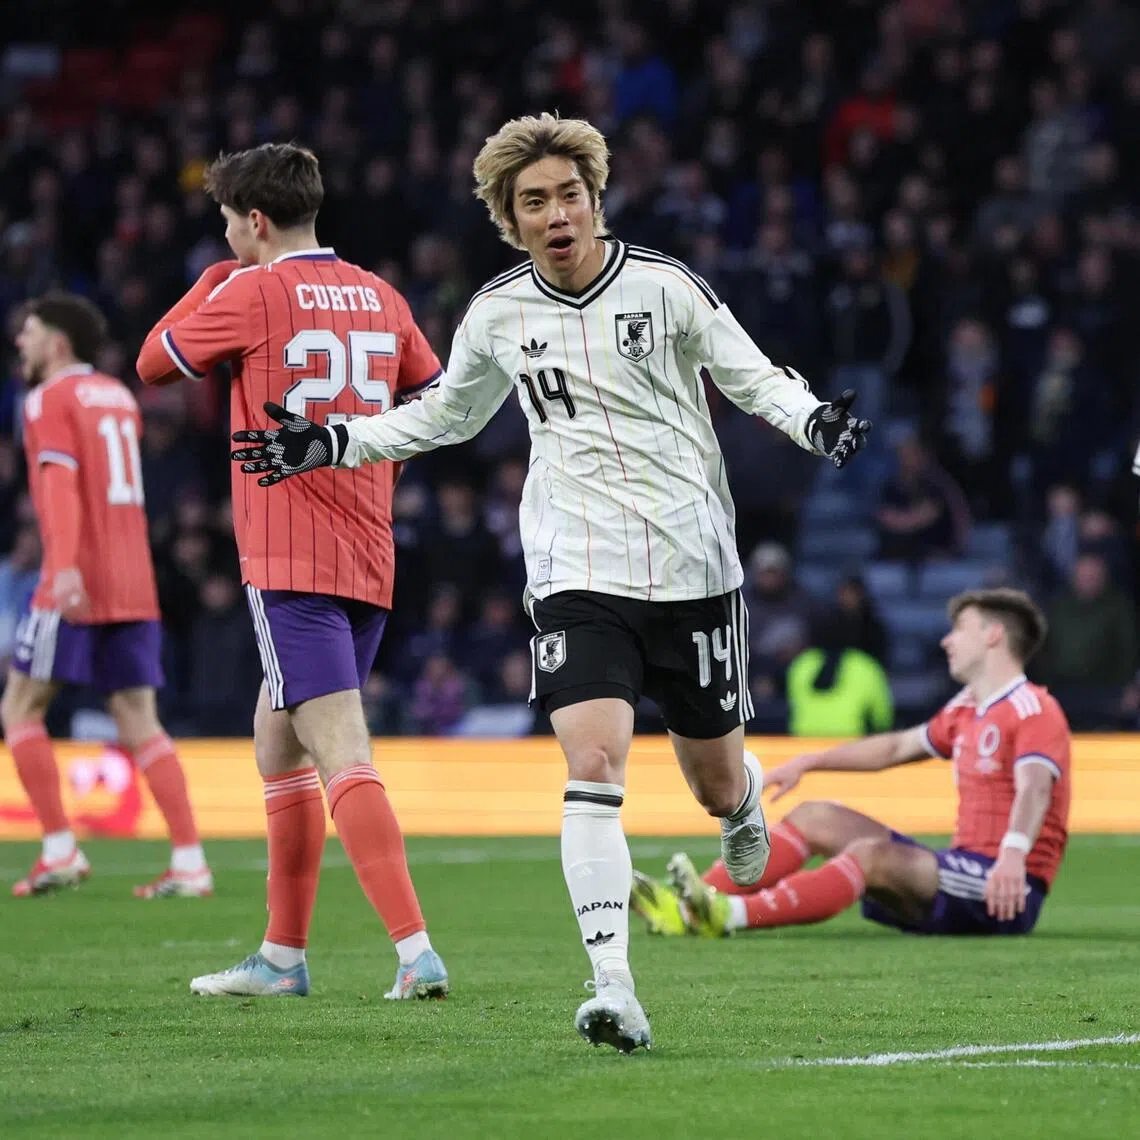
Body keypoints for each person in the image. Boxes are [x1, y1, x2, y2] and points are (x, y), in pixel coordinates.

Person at [229, 114, 871, 1051]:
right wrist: (334, 441)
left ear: (595, 200)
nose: (557, 213)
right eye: (535, 201)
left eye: (570, 195)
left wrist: (813, 422)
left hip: (693, 567)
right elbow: (443, 417)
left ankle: (742, 801)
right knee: (593, 762)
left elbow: (750, 376)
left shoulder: (665, 286)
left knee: (711, 779)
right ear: (511, 218)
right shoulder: (497, 313)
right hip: (576, 569)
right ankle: (613, 986)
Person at [135, 143, 448, 1001]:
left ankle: (416, 951)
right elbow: (438, 400)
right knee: (278, 744)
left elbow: (153, 362)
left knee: (341, 749)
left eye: (227, 224)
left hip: (289, 557)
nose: (225, 239)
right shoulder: (381, 295)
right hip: (369, 552)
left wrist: (212, 280)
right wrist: (380, 467)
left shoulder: (248, 290)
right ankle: (281, 958)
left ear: (256, 221)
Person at [631, 588, 1071, 941]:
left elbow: (1035, 787)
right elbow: (894, 748)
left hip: (1007, 886)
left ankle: (727, 915)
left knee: (869, 854)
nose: (946, 640)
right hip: (961, 869)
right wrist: (810, 761)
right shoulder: (966, 709)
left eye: (959, 629)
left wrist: (1013, 857)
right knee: (815, 816)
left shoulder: (1033, 708)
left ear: (994, 635)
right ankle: (687, 904)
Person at [3, 293, 211, 898]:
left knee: (20, 708)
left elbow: (61, 486)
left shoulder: (47, 398)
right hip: (133, 579)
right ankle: (190, 861)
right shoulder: (118, 395)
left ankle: (59, 849)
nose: (20, 341)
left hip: (77, 578)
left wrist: (65, 568)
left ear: (58, 343)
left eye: (30, 331)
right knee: (139, 720)